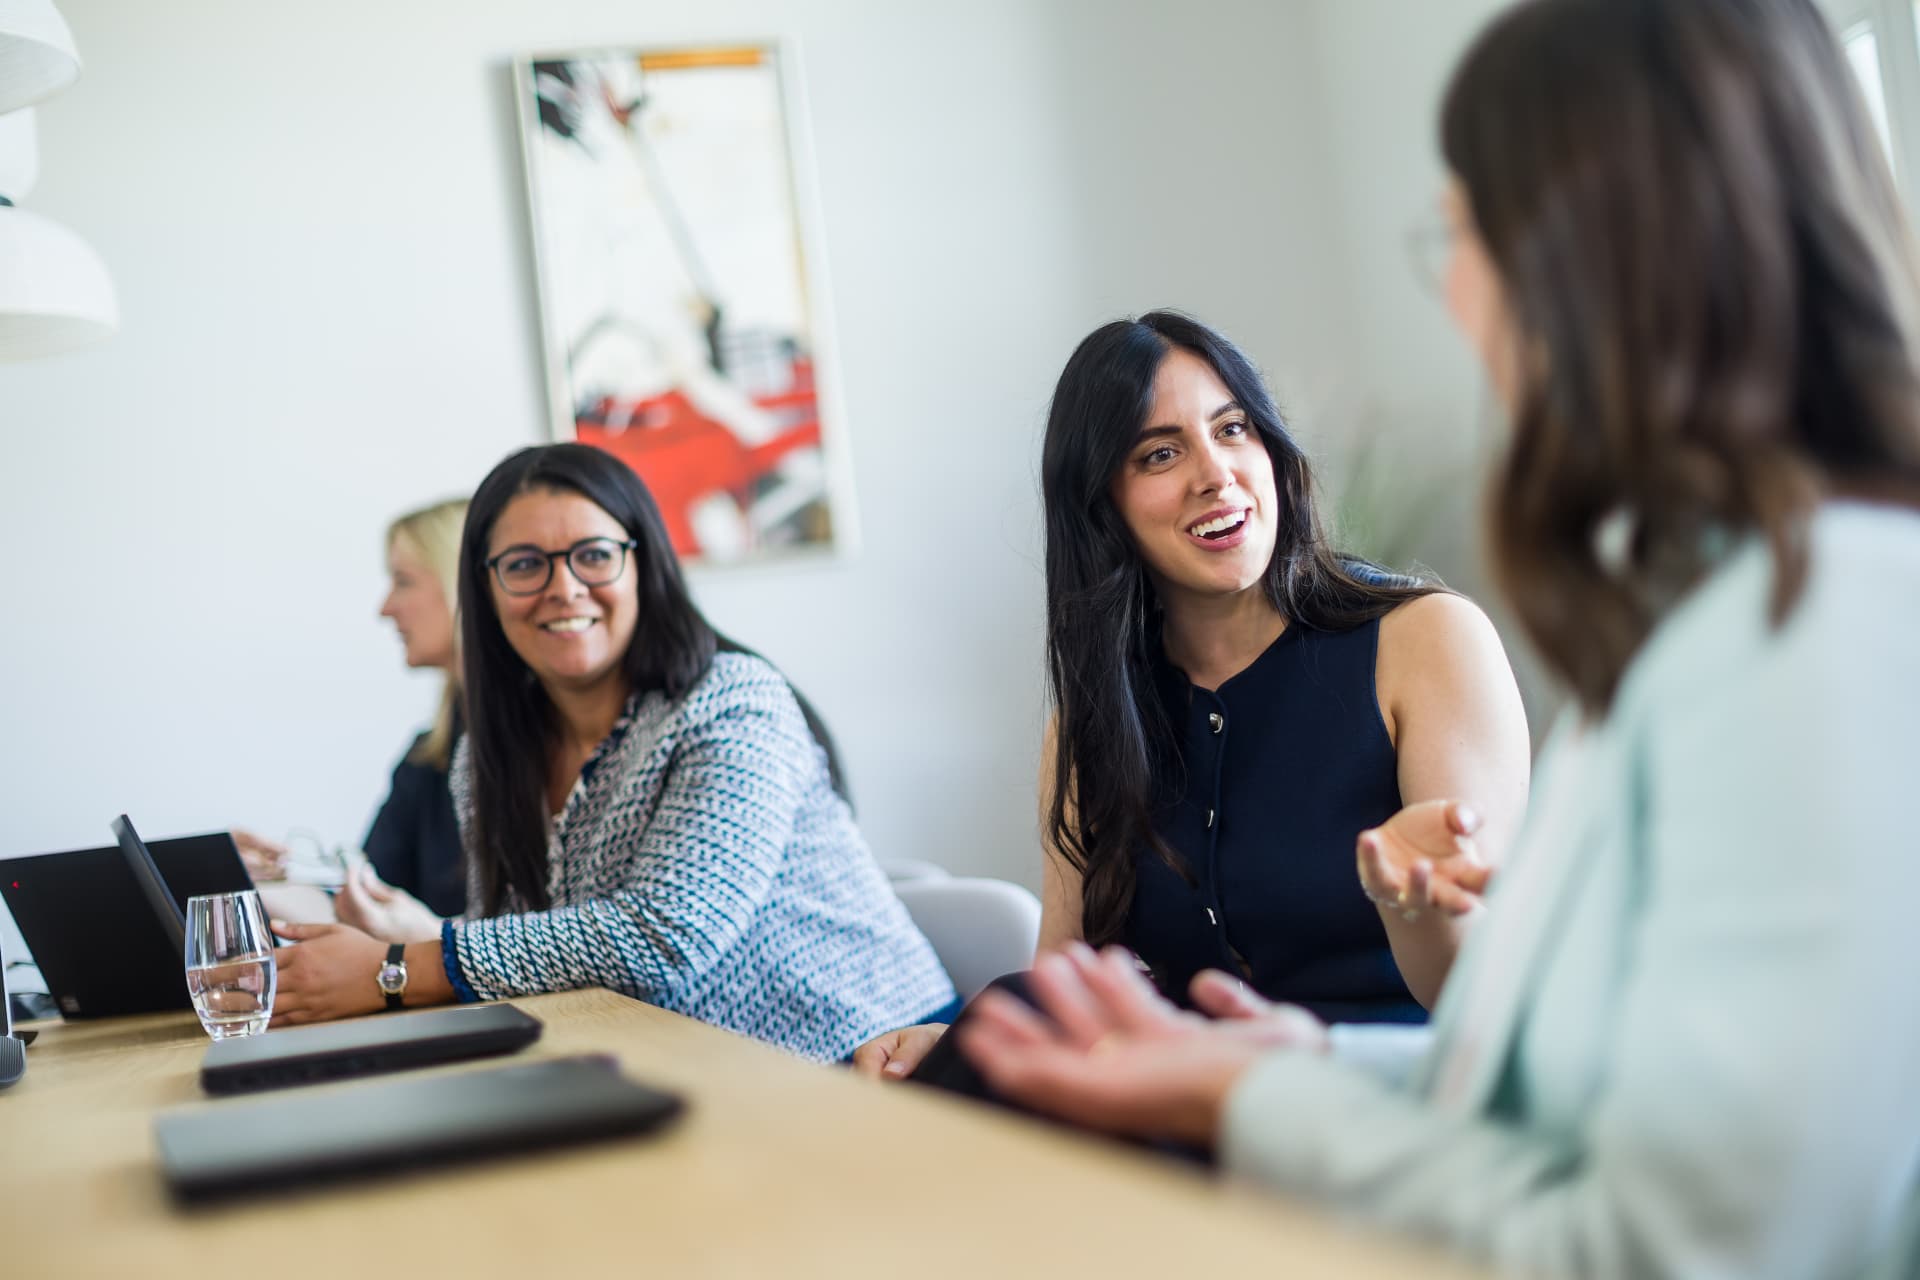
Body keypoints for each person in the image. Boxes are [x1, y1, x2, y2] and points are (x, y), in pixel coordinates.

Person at [954, 1, 1920, 1275]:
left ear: (1603, 254)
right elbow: (1571, 1094)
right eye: (1158, 451)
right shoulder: (1699, 621)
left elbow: (1671, 1245)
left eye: (1466, 232)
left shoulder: (1822, 629)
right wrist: (1301, 1061)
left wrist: (1255, 1098)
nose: (1457, 292)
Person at [856, 311, 1531, 1079]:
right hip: (1179, 1099)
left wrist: (1417, 904)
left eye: (1233, 429)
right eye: (1161, 453)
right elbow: (1068, 990)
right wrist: (953, 1042)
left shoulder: (1428, 639)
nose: (1215, 473)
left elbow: (1483, 1003)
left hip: (1382, 1091)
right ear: (1101, 505)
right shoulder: (1090, 723)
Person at [269, 444, 956, 1062]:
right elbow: (522, 947)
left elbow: (666, 934)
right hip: (664, 1069)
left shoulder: (735, 701)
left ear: (643, 565)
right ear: (484, 590)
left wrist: (392, 969)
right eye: (525, 565)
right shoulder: (488, 749)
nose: (564, 588)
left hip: (863, 1061)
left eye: (594, 555)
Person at [232, 499, 471, 917]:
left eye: (403, 581)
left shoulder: (553, 752)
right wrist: (244, 880)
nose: (384, 608)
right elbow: (362, 906)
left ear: (462, 586)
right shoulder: (428, 757)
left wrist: (434, 942)